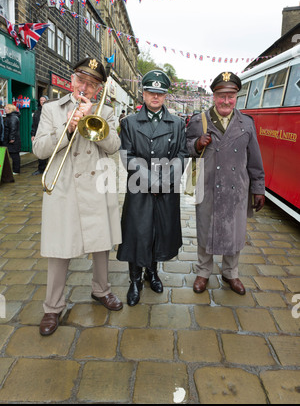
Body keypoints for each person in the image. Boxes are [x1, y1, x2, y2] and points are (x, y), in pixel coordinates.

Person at [32, 57, 123, 336]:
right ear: (72, 80)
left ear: (98, 89)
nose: (85, 87)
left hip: (95, 186)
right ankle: (53, 307)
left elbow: (114, 146)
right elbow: (38, 149)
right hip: (64, 187)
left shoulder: (106, 111)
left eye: (93, 84)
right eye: (81, 80)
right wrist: (68, 127)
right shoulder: (51, 110)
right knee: (60, 248)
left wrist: (92, 119)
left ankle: (101, 290)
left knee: (101, 245)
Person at [186, 71, 265, 295]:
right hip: (208, 186)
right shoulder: (198, 121)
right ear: (214, 96)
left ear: (236, 97)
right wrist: (197, 145)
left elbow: (255, 160)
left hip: (236, 187)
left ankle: (231, 272)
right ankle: (203, 271)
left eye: (231, 96)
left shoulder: (247, 123)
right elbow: (185, 148)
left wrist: (258, 188)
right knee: (205, 228)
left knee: (235, 231)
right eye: (222, 95)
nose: (226, 101)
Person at [117, 70, 189, 306]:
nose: (155, 97)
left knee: (160, 231)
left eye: (160, 93)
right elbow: (127, 154)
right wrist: (150, 179)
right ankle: (135, 280)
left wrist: (165, 179)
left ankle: (153, 273)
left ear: (165, 95)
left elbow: (181, 154)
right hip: (139, 187)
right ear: (143, 94)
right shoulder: (129, 122)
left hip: (166, 188)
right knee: (137, 232)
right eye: (150, 92)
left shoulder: (177, 123)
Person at [31, 95, 49, 175]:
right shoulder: (37, 112)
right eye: (41, 100)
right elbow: (34, 124)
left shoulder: (50, 111)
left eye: (44, 100)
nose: (42, 101)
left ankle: (49, 168)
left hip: (49, 134)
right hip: (39, 134)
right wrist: (33, 134)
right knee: (40, 151)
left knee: (49, 151)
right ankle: (41, 169)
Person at [3, 104, 21, 174]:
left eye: (6, 108)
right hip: (10, 139)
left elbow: (13, 129)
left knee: (14, 155)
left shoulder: (13, 118)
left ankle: (16, 170)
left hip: (12, 141)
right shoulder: (11, 117)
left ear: (10, 109)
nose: (5, 109)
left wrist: (11, 138)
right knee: (13, 155)